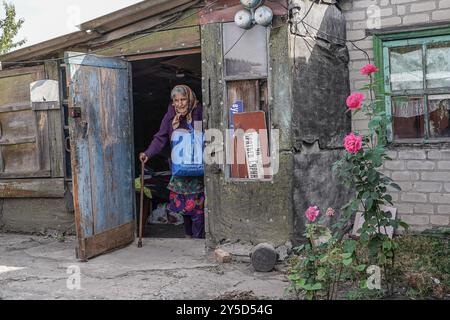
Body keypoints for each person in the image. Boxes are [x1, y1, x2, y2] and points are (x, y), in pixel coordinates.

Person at [139, 85, 205, 239]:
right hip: (179, 169)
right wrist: (148, 153)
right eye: (176, 100)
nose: (180, 104)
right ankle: (188, 236)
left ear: (190, 99)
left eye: (183, 99)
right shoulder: (170, 116)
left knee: (198, 208)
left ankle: (198, 239)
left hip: (197, 169)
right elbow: (160, 137)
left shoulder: (199, 112)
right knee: (184, 208)